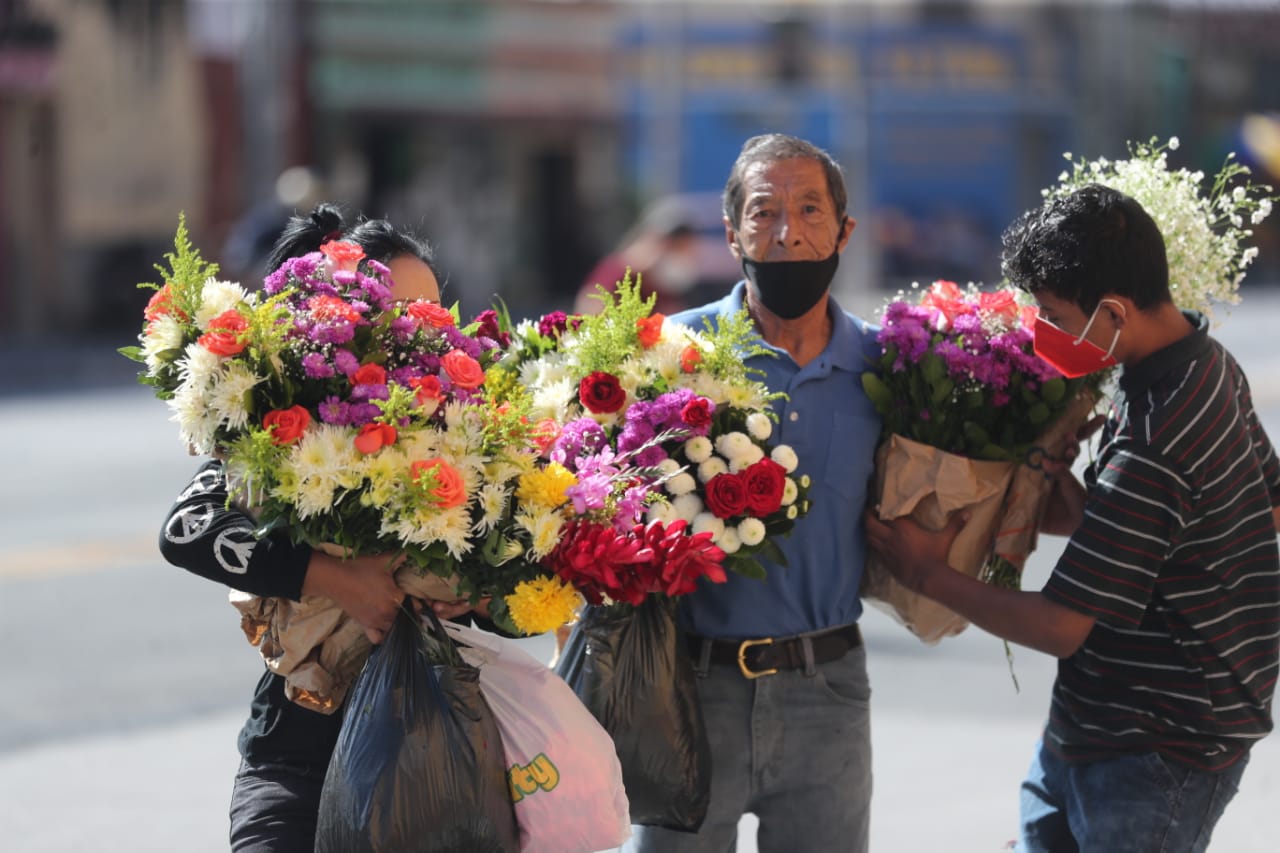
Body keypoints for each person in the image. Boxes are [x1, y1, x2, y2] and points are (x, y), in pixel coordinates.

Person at [865, 184, 1280, 853]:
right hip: (1096, 727)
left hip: (1154, 750)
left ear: (1114, 311)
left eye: (1053, 313)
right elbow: (1253, 505)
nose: (1040, 329)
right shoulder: (1204, 366)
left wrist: (925, 571)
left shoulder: (1156, 436)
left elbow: (1061, 626)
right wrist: (1076, 499)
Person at [159, 204, 483, 852]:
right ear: (346, 315)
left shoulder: (474, 438)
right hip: (296, 761)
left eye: (436, 316)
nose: (427, 336)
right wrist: (335, 577)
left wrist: (479, 594)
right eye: (402, 315)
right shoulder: (288, 425)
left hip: (434, 770)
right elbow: (187, 528)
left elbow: (525, 593)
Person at [625, 134, 882, 852]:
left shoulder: (887, 368)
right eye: (764, 212)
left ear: (844, 230)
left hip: (828, 691)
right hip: (687, 689)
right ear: (731, 228)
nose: (787, 231)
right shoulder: (674, 354)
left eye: (809, 210)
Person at [575, 196, 703, 315]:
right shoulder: (618, 272)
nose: (685, 259)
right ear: (662, 244)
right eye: (680, 250)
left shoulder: (663, 288)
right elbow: (589, 309)